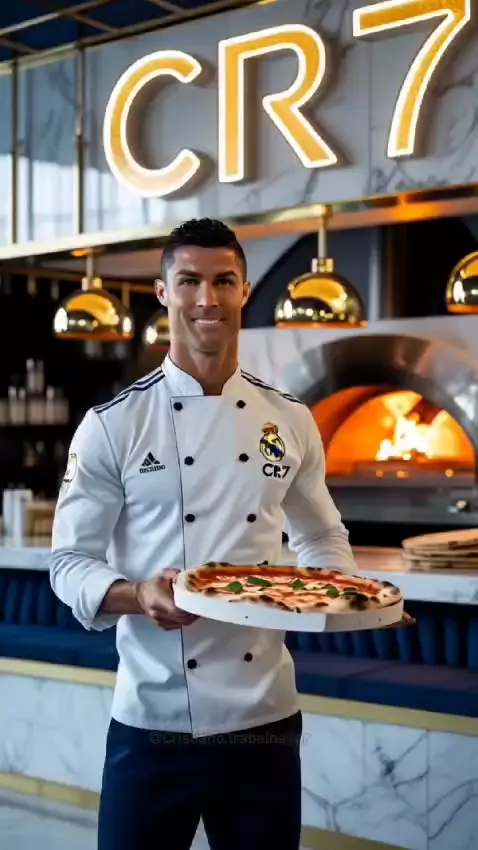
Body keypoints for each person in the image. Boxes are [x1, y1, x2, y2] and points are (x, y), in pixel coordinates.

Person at [49, 218, 356, 850]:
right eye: (189, 281)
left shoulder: (290, 419)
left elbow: (323, 537)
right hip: (154, 719)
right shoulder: (114, 424)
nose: (206, 298)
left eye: (223, 280)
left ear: (245, 290)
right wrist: (139, 595)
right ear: (163, 292)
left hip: (265, 719)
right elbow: (70, 562)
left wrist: (348, 595)